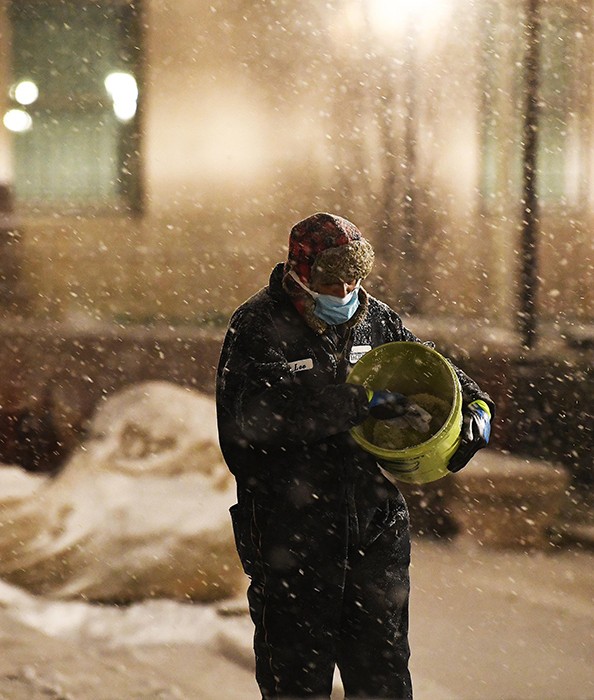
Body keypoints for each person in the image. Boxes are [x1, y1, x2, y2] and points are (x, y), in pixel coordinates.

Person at [216, 212, 494, 699]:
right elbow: (249, 424)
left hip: (373, 525)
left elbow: (429, 365)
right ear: (299, 270)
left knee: (383, 675)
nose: (343, 290)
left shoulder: (377, 319)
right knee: (297, 678)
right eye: (330, 279)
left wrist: (474, 405)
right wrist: (356, 401)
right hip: (290, 531)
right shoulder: (258, 325)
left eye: (353, 278)